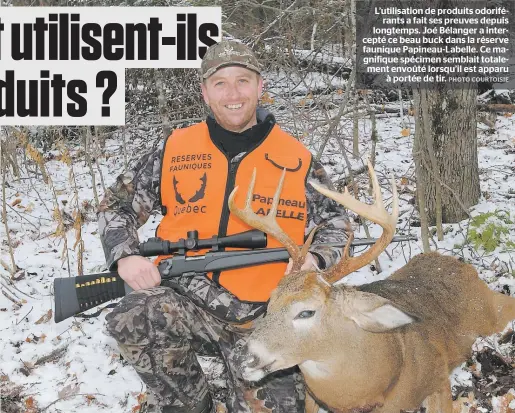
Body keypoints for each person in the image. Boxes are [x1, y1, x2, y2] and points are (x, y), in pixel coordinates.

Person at [98, 39, 349, 413]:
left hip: (266, 318)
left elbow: (338, 222)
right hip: (187, 298)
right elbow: (116, 204)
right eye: (221, 83)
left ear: (260, 87)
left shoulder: (296, 158)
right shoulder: (174, 148)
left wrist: (316, 259)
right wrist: (126, 257)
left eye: (243, 81)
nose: (233, 93)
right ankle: (186, 403)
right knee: (137, 314)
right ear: (204, 92)